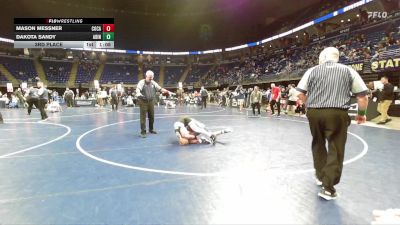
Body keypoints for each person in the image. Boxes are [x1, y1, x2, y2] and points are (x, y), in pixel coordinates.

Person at [296, 47, 369, 200]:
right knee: (336, 147)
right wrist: (361, 115)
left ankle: (320, 175)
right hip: (337, 113)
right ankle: (328, 188)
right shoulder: (348, 71)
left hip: (314, 113)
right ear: (337, 57)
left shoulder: (311, 71)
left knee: (318, 143)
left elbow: (300, 93)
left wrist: (310, 105)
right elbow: (362, 97)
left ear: (322, 57)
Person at [136, 70, 172, 138]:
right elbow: (138, 90)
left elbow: (160, 89)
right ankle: (143, 132)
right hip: (143, 101)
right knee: (143, 117)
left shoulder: (153, 82)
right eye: (150, 77)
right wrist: (138, 94)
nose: (151, 78)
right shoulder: (141, 82)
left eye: (152, 77)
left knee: (151, 116)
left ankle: (151, 129)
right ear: (146, 76)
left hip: (151, 101)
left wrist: (166, 91)